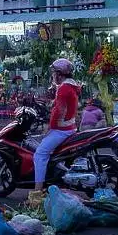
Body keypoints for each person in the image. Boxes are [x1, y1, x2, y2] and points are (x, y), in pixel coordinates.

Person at [29, 59, 80, 205]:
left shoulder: (64, 88)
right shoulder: (71, 86)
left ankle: (37, 192)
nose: (52, 75)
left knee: (40, 154)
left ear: (59, 74)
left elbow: (59, 111)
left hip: (62, 130)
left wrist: (49, 127)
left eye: (54, 72)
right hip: (69, 127)